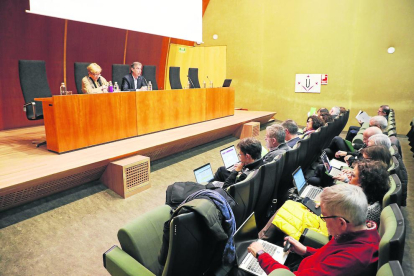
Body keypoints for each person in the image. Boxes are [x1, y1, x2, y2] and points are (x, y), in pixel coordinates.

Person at [249, 184, 380, 275]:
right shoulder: (359, 231)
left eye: (325, 217)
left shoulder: (353, 260)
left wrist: (261, 255)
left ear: (341, 223)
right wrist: (305, 250)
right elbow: (329, 258)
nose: (324, 222)